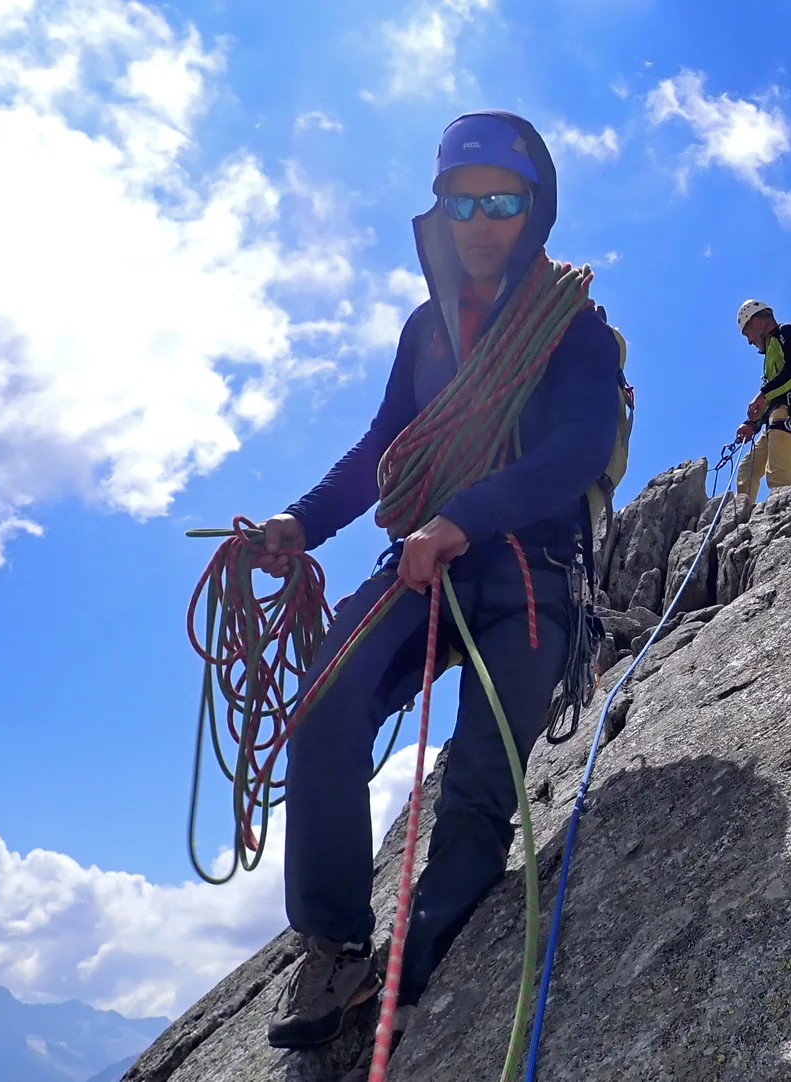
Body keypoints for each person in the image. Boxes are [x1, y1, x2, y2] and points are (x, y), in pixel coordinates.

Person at [252, 111, 622, 1051]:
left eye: (502, 198)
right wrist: (303, 521)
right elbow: (385, 446)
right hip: (421, 562)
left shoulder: (573, 324)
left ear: (534, 208)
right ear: (440, 208)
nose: (480, 217)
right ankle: (336, 946)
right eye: (461, 199)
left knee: (477, 792)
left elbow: (580, 445)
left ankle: (414, 969)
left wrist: (466, 515)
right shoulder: (426, 329)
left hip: (528, 571)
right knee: (323, 707)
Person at [732, 299, 791, 506]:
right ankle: (739, 520)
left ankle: (782, 524)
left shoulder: (787, 333)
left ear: (758, 323)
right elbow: (772, 393)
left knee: (778, 478)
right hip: (776, 416)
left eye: (748, 333)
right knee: (746, 471)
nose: (750, 341)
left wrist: (763, 394)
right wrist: (752, 423)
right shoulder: (771, 353)